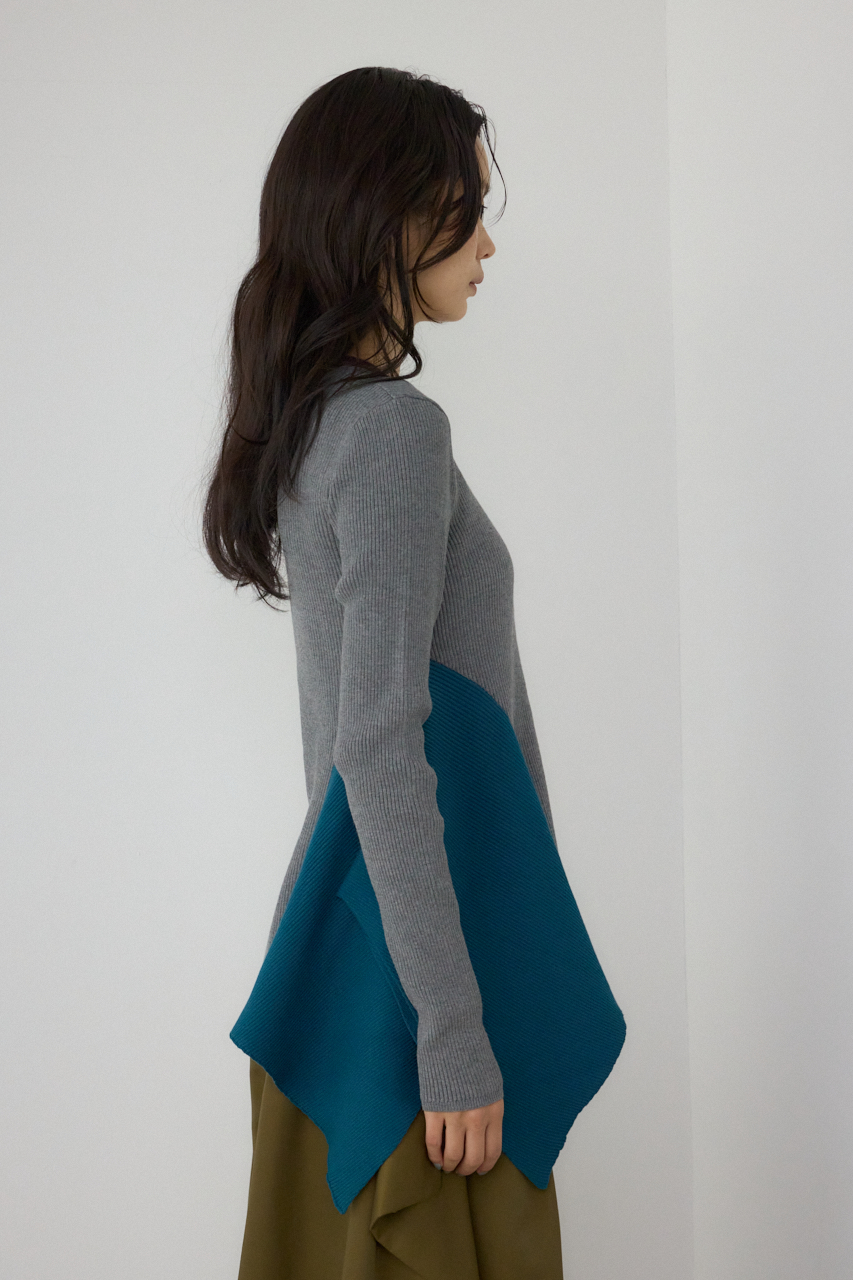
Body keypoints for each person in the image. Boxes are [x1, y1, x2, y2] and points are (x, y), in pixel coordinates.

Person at [203, 65, 626, 1280]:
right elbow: (380, 740)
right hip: (413, 988)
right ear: (389, 217)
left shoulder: (317, 421)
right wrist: (451, 1027)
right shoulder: (390, 428)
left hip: (351, 953)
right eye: (466, 208)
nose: (488, 243)